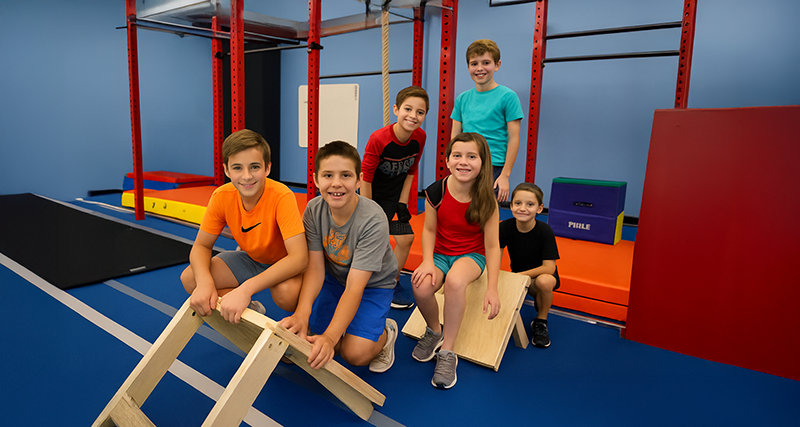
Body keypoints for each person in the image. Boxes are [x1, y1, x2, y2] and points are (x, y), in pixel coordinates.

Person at [279, 141, 399, 373]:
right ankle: (347, 327)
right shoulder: (314, 210)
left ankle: (386, 334)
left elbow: (356, 287)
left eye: (345, 175)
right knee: (314, 335)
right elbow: (314, 269)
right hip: (335, 279)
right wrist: (302, 314)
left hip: (373, 285)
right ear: (315, 180)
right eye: (328, 175)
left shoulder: (373, 219)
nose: (336, 183)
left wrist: (330, 339)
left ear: (359, 180)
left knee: (354, 354)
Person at [181, 129, 308, 324]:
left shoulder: (281, 196)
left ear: (267, 168)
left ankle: (306, 321)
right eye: (238, 168)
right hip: (252, 259)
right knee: (191, 278)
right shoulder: (221, 197)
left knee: (287, 294)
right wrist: (205, 283)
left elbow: (299, 258)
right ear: (226, 170)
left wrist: (246, 288)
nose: (247, 176)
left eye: (254, 167)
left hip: (283, 263)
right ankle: (251, 311)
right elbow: (201, 246)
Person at [410, 132, 501, 389]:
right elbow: (428, 230)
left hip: (471, 255)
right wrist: (427, 262)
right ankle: (434, 330)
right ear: (448, 161)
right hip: (440, 254)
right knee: (420, 285)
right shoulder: (436, 191)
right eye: (457, 156)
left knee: (455, 281)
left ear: (482, 162)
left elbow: (493, 246)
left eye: (472, 156)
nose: (464, 162)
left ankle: (448, 352)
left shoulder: (487, 199)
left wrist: (492, 288)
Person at [362, 85, 429, 310]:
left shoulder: (420, 137)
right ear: (396, 109)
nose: (413, 116)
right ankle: (362, 283)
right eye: (408, 109)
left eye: (420, 112)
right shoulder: (379, 139)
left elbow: (411, 170)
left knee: (406, 239)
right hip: (371, 196)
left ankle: (392, 282)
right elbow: (366, 177)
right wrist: (368, 210)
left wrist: (402, 202)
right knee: (373, 242)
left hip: (393, 198)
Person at [450, 39, 523, 203]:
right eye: (474, 63)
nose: (480, 68)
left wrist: (505, 175)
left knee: (485, 214)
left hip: (493, 166)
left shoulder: (508, 97)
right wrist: (453, 163)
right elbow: (455, 136)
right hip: (465, 163)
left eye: (486, 62)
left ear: (497, 65)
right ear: (468, 67)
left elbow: (514, 138)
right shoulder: (462, 99)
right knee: (463, 211)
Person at [499, 183, 560, 348]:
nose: (522, 208)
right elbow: (495, 255)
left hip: (541, 277)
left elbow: (549, 268)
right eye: (518, 203)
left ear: (539, 209)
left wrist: (518, 276)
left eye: (530, 204)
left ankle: (540, 321)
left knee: (544, 282)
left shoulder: (545, 231)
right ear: (511, 206)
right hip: (520, 278)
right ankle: (538, 299)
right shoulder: (504, 227)